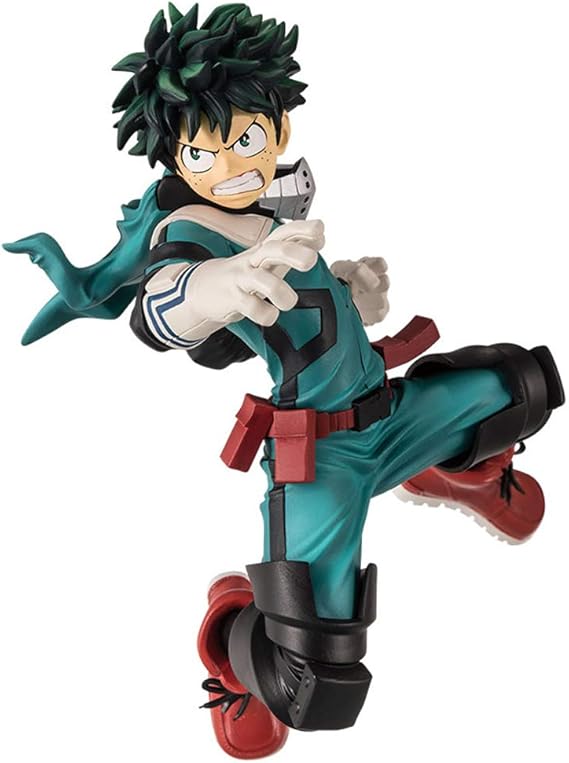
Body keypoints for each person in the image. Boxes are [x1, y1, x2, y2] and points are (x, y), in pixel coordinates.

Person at [4, 4, 564, 759]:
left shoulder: (273, 207)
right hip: (320, 460)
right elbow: (165, 309)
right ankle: (237, 636)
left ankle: (450, 468)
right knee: (314, 686)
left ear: (279, 127)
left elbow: (308, 307)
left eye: (246, 140)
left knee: (522, 382)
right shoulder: (189, 235)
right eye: (203, 155)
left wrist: (349, 290)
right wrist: (218, 288)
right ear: (175, 163)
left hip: (390, 413)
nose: (232, 167)